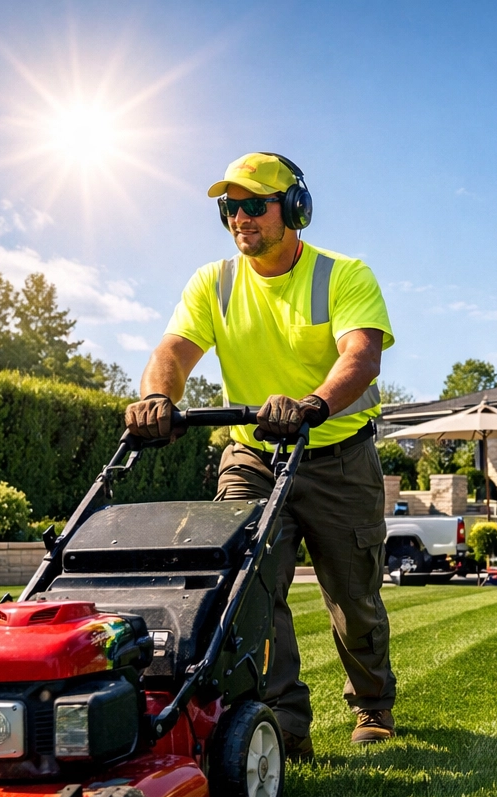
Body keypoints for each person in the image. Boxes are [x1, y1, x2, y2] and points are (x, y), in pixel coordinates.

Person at [124, 152, 399, 756]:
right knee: (248, 587)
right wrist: (155, 398)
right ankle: (282, 723)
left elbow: (360, 357)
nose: (240, 218)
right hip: (251, 455)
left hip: (337, 456)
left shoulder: (343, 275)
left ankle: (373, 704)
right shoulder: (213, 282)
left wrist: (312, 405)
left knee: (353, 599)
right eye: (230, 207)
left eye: (255, 204)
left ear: (294, 208)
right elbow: (173, 351)